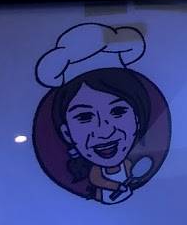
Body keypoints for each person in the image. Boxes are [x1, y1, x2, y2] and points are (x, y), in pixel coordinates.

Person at [35, 23, 156, 204]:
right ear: (66, 133)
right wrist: (116, 187)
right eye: (84, 117)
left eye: (117, 111)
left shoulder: (128, 164)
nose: (104, 131)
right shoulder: (95, 173)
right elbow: (98, 180)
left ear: (137, 120)